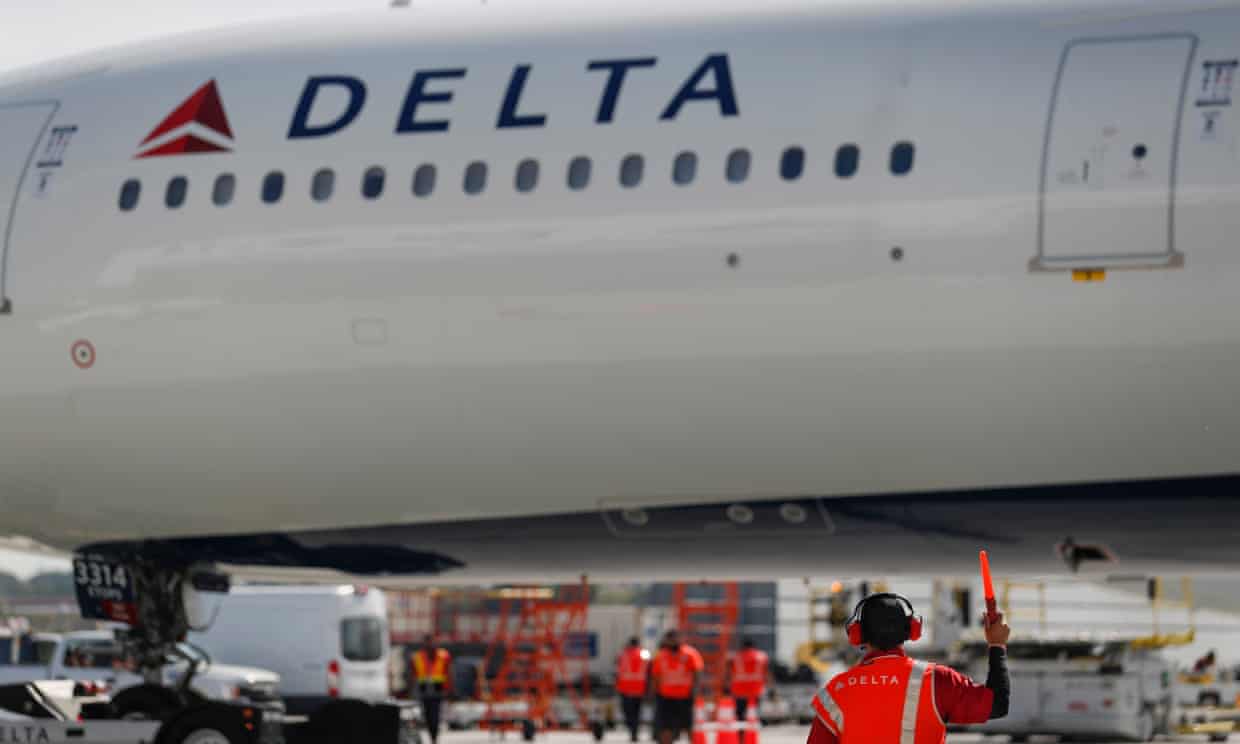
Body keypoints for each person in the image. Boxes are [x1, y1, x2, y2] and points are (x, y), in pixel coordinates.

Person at [808, 592, 1011, 744]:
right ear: (912, 630)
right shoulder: (936, 680)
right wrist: (996, 645)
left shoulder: (836, 692)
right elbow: (997, 705)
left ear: (857, 634)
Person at [650, 630, 704, 744]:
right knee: (666, 727)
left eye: (675, 638)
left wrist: (696, 690)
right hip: (666, 697)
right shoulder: (660, 656)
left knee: (688, 726)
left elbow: (697, 672)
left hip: (685, 697)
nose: (673, 641)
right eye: (670, 639)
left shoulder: (690, 654)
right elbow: (655, 676)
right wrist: (654, 693)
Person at [410, 635, 453, 744]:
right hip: (424, 693)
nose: (430, 645)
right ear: (424, 644)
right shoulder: (417, 657)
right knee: (428, 719)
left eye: (432, 642)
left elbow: (449, 674)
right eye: (428, 643)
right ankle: (432, 737)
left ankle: (434, 739)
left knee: (435, 718)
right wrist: (411, 692)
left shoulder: (444, 656)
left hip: (437, 693)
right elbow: (412, 676)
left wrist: (450, 690)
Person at [727, 636, 772, 723]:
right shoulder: (762, 656)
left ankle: (741, 733)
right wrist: (770, 687)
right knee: (754, 713)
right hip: (756, 690)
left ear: (743, 646)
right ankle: (753, 731)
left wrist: (727, 686)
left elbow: (729, 674)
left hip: (739, 691)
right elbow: (768, 673)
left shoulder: (735, 657)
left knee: (740, 715)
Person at [616, 637, 652, 742]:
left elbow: (618, 668)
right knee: (636, 712)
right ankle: (634, 732)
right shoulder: (644, 654)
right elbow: (649, 670)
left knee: (628, 712)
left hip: (625, 688)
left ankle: (633, 731)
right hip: (639, 688)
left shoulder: (623, 654)